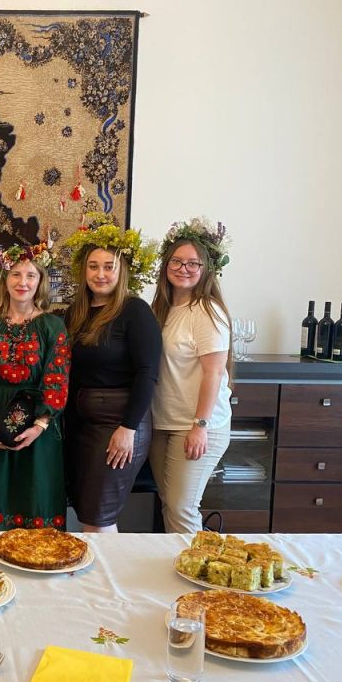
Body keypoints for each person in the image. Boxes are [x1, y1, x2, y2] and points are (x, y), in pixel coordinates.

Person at [62, 217, 162, 532]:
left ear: (122, 271)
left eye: (109, 267)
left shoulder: (136, 311)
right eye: (93, 267)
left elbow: (148, 373)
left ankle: (104, 567)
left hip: (118, 424)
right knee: (87, 513)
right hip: (81, 426)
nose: (100, 274)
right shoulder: (75, 313)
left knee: (98, 517)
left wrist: (128, 428)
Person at [0, 243, 71, 530]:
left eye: (30, 275)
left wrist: (39, 426)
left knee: (37, 498)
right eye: (15, 274)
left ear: (40, 282)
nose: (23, 282)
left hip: (40, 426)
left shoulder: (52, 326)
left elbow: (57, 379)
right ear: (4, 280)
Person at [149, 217, 234, 534]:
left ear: (206, 269)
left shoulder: (207, 311)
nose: (183, 268)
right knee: (170, 505)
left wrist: (200, 426)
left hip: (196, 426)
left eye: (193, 263)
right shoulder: (163, 309)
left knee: (182, 508)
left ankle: (198, 564)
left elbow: (214, 372)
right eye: (176, 261)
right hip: (164, 423)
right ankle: (181, 561)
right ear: (166, 265)